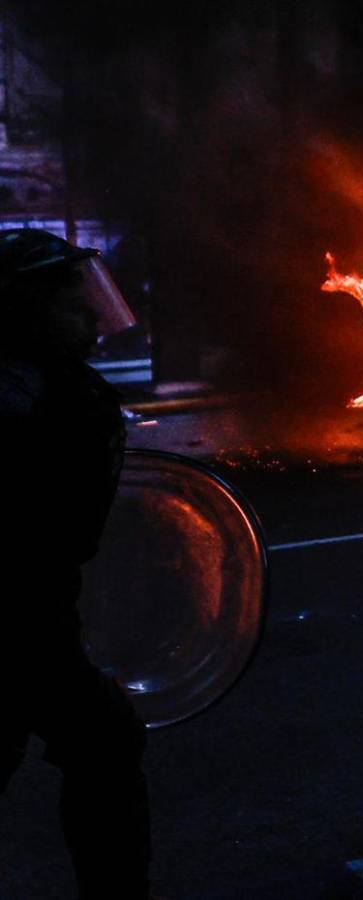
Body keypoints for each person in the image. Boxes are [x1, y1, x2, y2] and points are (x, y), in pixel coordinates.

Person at [0, 229, 151, 896]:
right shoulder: (41, 395)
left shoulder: (45, 386)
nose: (92, 316)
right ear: (25, 310)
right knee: (105, 743)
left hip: (40, 612)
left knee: (100, 742)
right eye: (71, 303)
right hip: (20, 618)